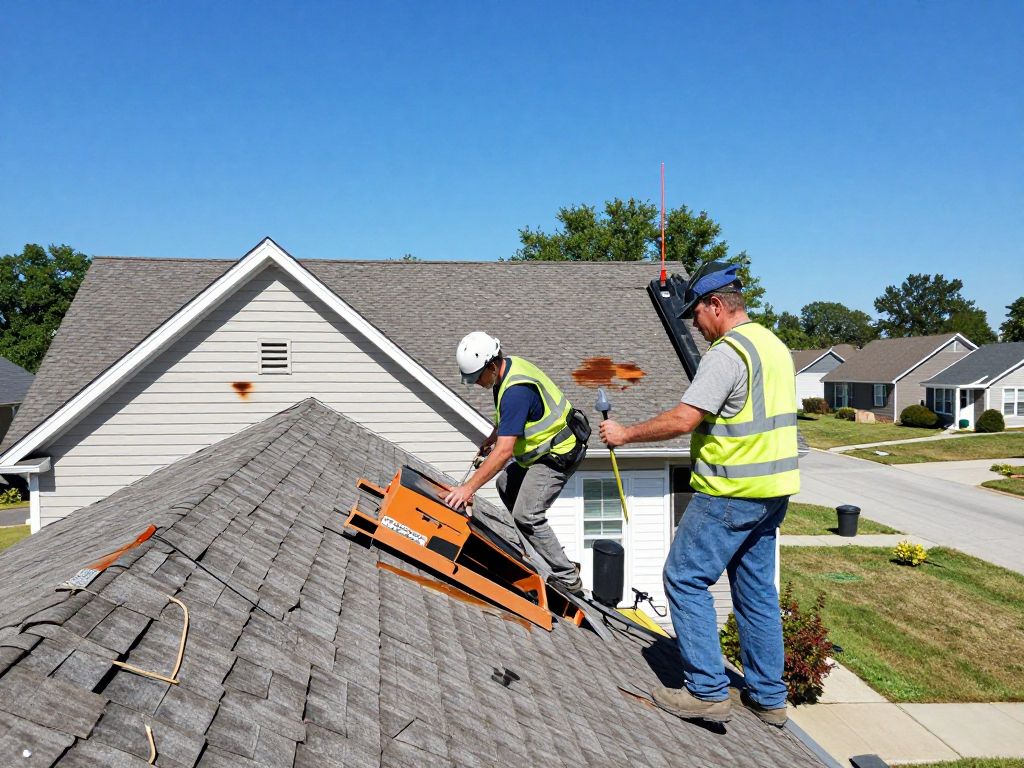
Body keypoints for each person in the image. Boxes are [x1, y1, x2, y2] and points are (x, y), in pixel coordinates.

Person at [599, 261, 798, 727]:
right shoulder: (773, 346)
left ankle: (707, 690)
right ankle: (769, 698)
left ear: (716, 305)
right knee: (756, 594)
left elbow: (684, 419)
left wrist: (625, 434)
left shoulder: (728, 354)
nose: (695, 325)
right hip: (772, 494)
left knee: (684, 578)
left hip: (729, 491)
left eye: (697, 314)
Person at [444, 331, 587, 595]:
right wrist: (493, 436)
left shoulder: (515, 390)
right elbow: (513, 419)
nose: (477, 383)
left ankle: (568, 577)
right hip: (540, 451)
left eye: (477, 378)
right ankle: (535, 556)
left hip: (559, 452)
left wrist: (468, 489)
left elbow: (504, 452)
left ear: (490, 366)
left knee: (527, 513)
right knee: (505, 485)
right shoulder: (506, 371)